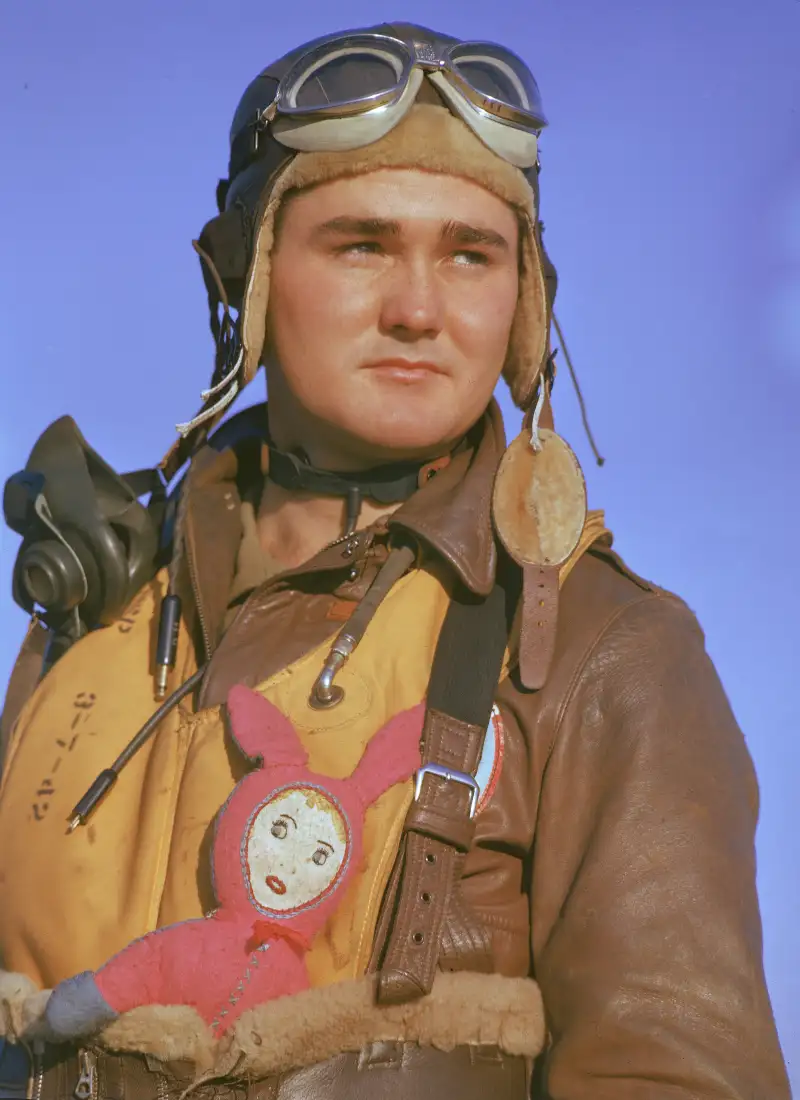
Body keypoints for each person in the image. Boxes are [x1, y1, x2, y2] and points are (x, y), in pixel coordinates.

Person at [0, 21, 790, 1100]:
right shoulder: (98, 613)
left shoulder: (611, 654)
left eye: (471, 254)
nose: (419, 310)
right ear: (252, 273)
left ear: (525, 299)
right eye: (361, 244)